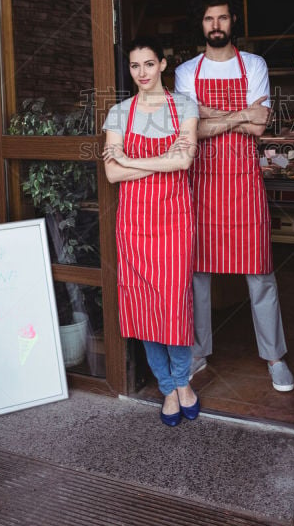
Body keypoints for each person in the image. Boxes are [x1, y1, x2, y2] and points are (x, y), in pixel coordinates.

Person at [175, 0, 294, 392]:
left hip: (243, 181)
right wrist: (242, 113)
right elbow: (191, 129)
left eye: (221, 17)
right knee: (197, 275)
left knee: (260, 273)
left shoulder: (255, 65)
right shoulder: (185, 71)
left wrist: (209, 114)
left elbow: (260, 128)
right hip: (201, 182)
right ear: (203, 25)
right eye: (209, 18)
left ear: (232, 21)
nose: (215, 25)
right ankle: (196, 353)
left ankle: (275, 357)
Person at [103, 36, 199, 426]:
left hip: (174, 222)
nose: (141, 73)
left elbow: (185, 160)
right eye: (134, 66)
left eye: (148, 64)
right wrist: (163, 159)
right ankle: (167, 388)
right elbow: (112, 172)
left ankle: (183, 381)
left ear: (162, 65)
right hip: (134, 224)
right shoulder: (117, 113)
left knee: (174, 305)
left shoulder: (184, 106)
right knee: (143, 309)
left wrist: (133, 160)